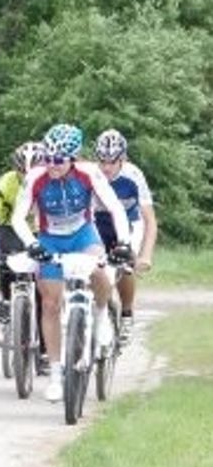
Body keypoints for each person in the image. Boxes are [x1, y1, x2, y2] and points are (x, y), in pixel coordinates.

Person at [10, 123, 132, 403]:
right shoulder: (36, 177)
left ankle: (101, 317)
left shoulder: (90, 173)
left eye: (58, 161)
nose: (52, 165)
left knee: (100, 271)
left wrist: (124, 242)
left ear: (72, 158)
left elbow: (114, 207)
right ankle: (55, 374)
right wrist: (32, 244)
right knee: (51, 305)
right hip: (50, 238)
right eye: (48, 159)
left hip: (83, 235)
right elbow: (18, 217)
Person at [92, 129, 157, 344]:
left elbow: (150, 220)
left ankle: (127, 313)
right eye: (102, 161)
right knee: (93, 268)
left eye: (113, 161)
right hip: (99, 223)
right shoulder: (92, 175)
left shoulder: (133, 176)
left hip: (129, 225)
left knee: (126, 265)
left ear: (124, 159)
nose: (107, 167)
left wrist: (145, 256)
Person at [0, 141, 48, 368]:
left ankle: (43, 351)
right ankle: (5, 299)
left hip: (40, 229)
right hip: (10, 228)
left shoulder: (48, 182)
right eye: (22, 172)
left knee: (43, 294)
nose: (27, 177)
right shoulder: (5, 183)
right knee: (6, 262)